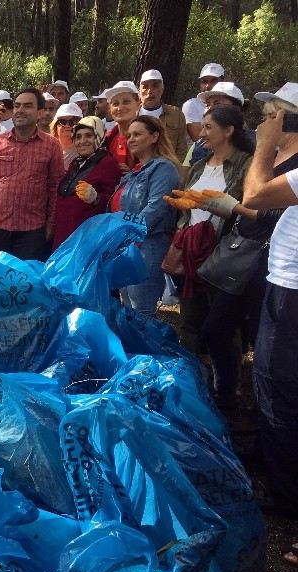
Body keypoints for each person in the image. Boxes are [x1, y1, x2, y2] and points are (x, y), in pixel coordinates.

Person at [238, 86, 298, 544]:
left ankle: (288, 495)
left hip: (293, 293)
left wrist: (263, 144)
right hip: (282, 284)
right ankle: (272, 461)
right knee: (270, 379)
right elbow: (255, 206)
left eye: (274, 115)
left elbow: (256, 194)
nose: (266, 120)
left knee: (278, 384)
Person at [164, 105, 254, 391]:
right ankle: (192, 388)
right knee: (190, 320)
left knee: (223, 325)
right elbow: (188, 206)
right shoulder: (201, 165)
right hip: (192, 251)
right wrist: (182, 225)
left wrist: (219, 205)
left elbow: (248, 208)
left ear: (228, 131)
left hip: (224, 252)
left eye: (208, 127)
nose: (201, 134)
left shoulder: (246, 164)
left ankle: (229, 389)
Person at [0, 88, 65, 261]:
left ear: (39, 112)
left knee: (26, 285)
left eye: (28, 106)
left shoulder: (52, 146)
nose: (20, 110)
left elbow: (55, 187)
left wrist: (50, 225)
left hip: (32, 231)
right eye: (17, 106)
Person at [110, 115, 181, 314]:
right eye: (129, 135)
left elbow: (156, 208)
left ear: (154, 136)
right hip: (127, 245)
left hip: (148, 246)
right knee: (128, 307)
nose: (130, 139)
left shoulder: (163, 169)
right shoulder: (133, 173)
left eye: (137, 134)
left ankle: (144, 346)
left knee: (142, 311)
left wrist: (126, 231)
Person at [52, 116, 122, 249]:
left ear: (100, 136)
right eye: (78, 137)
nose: (82, 141)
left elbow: (114, 203)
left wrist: (96, 198)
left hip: (85, 240)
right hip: (63, 236)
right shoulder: (75, 163)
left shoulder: (108, 163)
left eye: (89, 136)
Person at [188, 82, 248, 165]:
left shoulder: (256, 143)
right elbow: (186, 176)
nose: (210, 108)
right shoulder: (198, 147)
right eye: (208, 104)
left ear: (237, 108)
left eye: (217, 104)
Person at [138, 69, 189, 162]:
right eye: (145, 86)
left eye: (155, 86)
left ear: (162, 89)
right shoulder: (132, 115)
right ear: (139, 90)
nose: (149, 91)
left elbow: (181, 149)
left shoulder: (176, 114)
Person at [102, 81, 141, 172]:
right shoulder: (105, 139)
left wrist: (132, 174)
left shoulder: (148, 137)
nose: (120, 108)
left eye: (126, 102)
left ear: (138, 104)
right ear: (109, 108)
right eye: (115, 104)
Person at [184, 63, 225, 143]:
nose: (208, 86)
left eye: (213, 81)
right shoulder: (191, 105)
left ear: (222, 81)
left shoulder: (228, 103)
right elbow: (201, 140)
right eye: (204, 81)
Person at [50, 102, 83, 168]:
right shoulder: (47, 149)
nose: (67, 126)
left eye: (73, 122)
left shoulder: (86, 152)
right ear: (55, 126)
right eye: (63, 122)